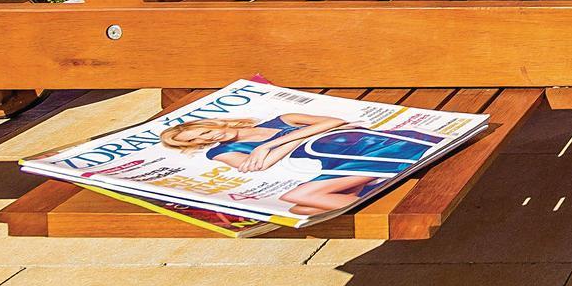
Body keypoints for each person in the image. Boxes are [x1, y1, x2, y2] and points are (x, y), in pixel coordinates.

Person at [159, 112, 449, 215]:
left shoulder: (282, 119)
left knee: (299, 196)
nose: (210, 137)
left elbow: (334, 121)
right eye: (197, 140)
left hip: (360, 147)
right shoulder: (221, 152)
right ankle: (382, 197)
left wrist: (270, 145)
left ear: (210, 123)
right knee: (298, 208)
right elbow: (257, 166)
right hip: (331, 161)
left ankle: (398, 207)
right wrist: (297, 139)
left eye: (205, 131)